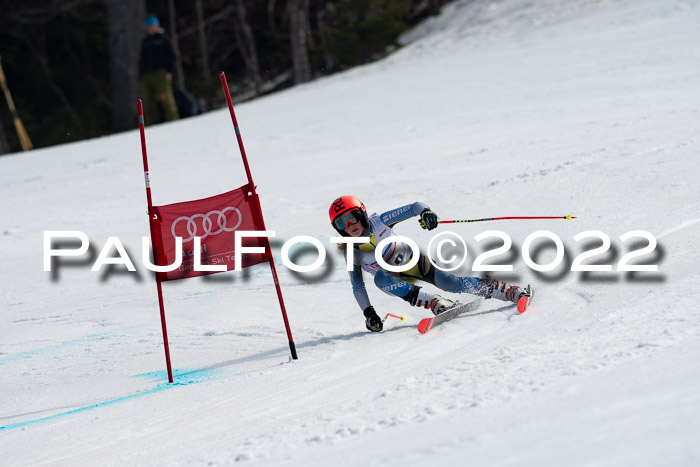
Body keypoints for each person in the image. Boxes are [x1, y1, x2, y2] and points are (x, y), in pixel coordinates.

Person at [329, 196, 532, 332]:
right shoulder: (351, 252)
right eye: (341, 223)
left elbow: (414, 207)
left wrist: (426, 213)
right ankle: (435, 302)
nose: (349, 226)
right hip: (394, 281)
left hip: (415, 261)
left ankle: (506, 291)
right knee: (381, 278)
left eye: (351, 217)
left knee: (452, 284)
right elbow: (357, 286)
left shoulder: (380, 222)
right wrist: (369, 313)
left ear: (362, 213)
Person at [139, 15, 179, 125]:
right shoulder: (145, 41)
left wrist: (170, 71)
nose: (151, 28)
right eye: (149, 26)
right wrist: (141, 75)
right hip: (147, 75)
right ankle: (153, 125)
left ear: (157, 26)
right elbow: (142, 59)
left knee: (165, 99)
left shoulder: (163, 39)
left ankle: (173, 122)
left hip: (161, 73)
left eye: (153, 26)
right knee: (149, 102)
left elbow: (172, 57)